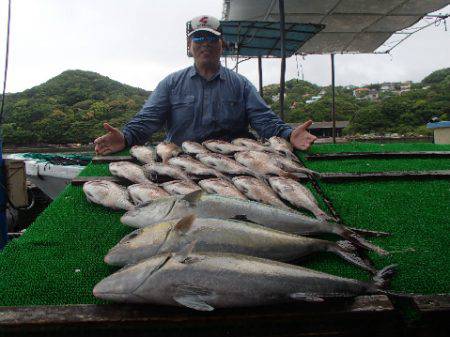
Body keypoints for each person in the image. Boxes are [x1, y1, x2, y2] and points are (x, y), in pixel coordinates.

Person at [94, 15, 317, 155]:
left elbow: (265, 122)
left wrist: (288, 135)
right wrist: (125, 138)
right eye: (198, 39)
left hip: (235, 159)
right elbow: (146, 122)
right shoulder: (171, 84)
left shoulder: (241, 85)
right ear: (189, 46)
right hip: (181, 158)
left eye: (211, 38)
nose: (205, 44)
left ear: (222, 45)